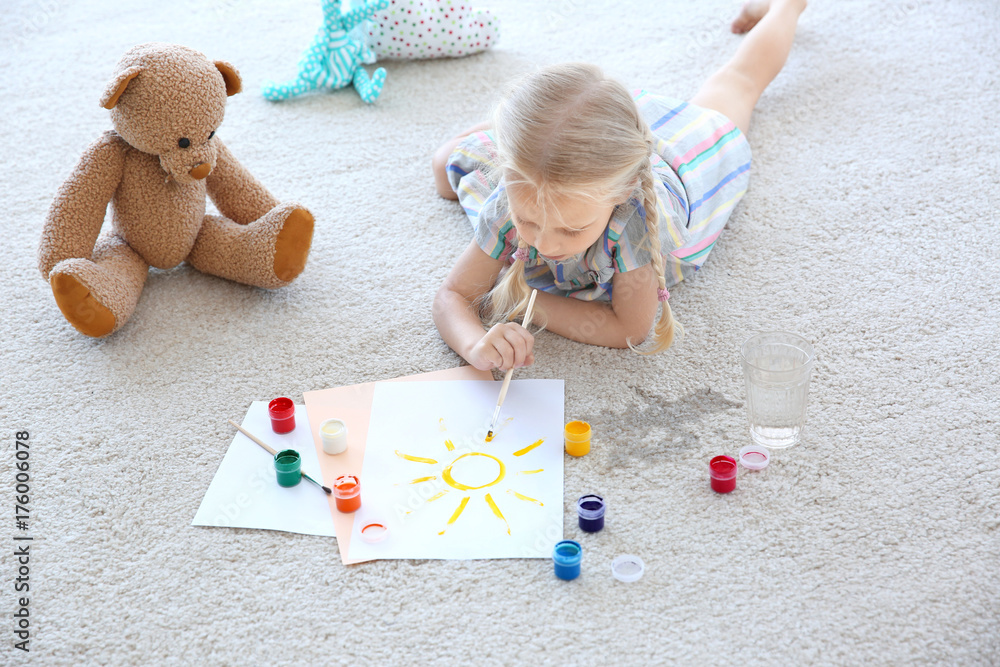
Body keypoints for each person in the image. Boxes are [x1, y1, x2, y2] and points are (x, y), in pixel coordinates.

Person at [432, 0, 807, 371]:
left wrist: (523, 299)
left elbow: (628, 329)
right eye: (528, 222)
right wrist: (474, 345)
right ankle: (498, 136)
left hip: (680, 156)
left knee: (739, 84)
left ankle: (786, 7)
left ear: (622, 194)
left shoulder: (634, 221)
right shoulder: (516, 196)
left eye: (571, 229)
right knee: (444, 172)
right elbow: (453, 295)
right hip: (573, 155)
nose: (544, 244)